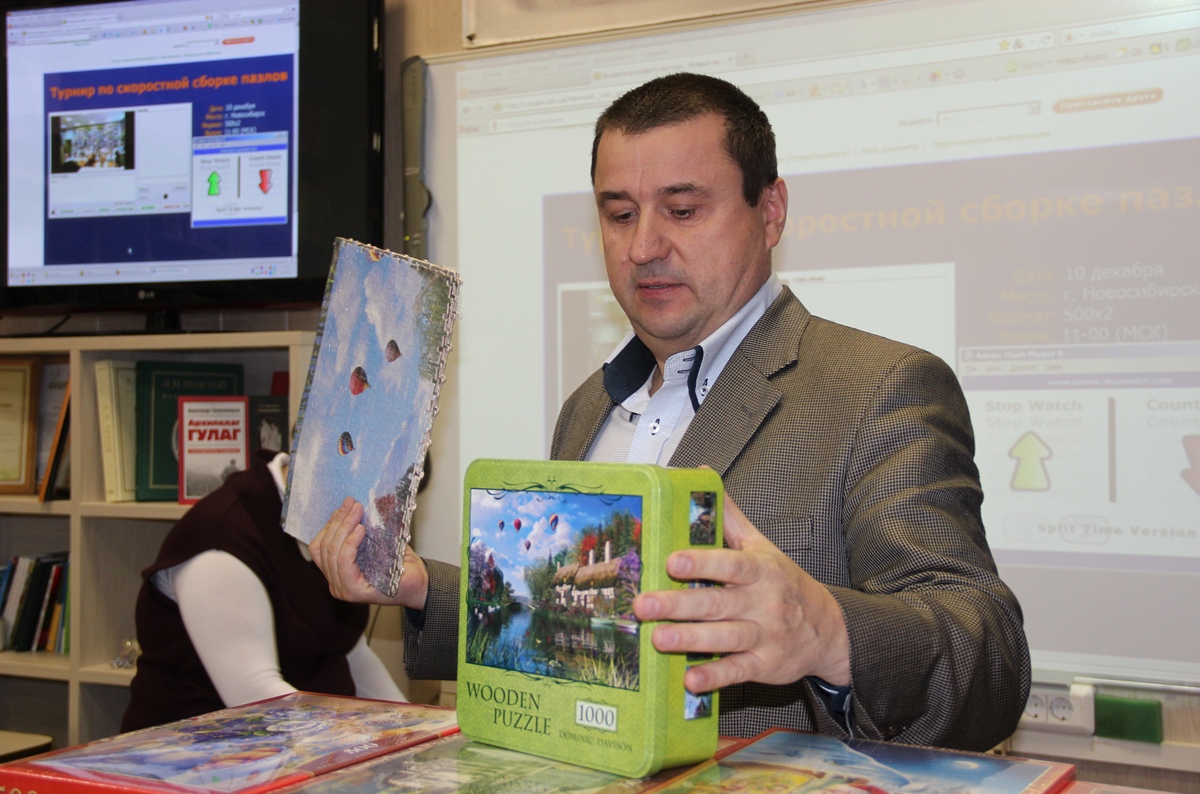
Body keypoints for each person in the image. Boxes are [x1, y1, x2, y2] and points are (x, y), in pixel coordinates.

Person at [310, 72, 1030, 751]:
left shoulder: (881, 388)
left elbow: (988, 657)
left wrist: (827, 632)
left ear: (771, 212)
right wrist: (418, 586)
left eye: (683, 211)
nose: (643, 247)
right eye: (619, 214)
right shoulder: (587, 408)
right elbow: (584, 620)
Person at [121, 449, 404, 732]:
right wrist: (359, 741)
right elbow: (258, 698)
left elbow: (348, 650)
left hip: (305, 742)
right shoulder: (223, 538)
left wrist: (409, 729)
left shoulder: (327, 521)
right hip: (203, 747)